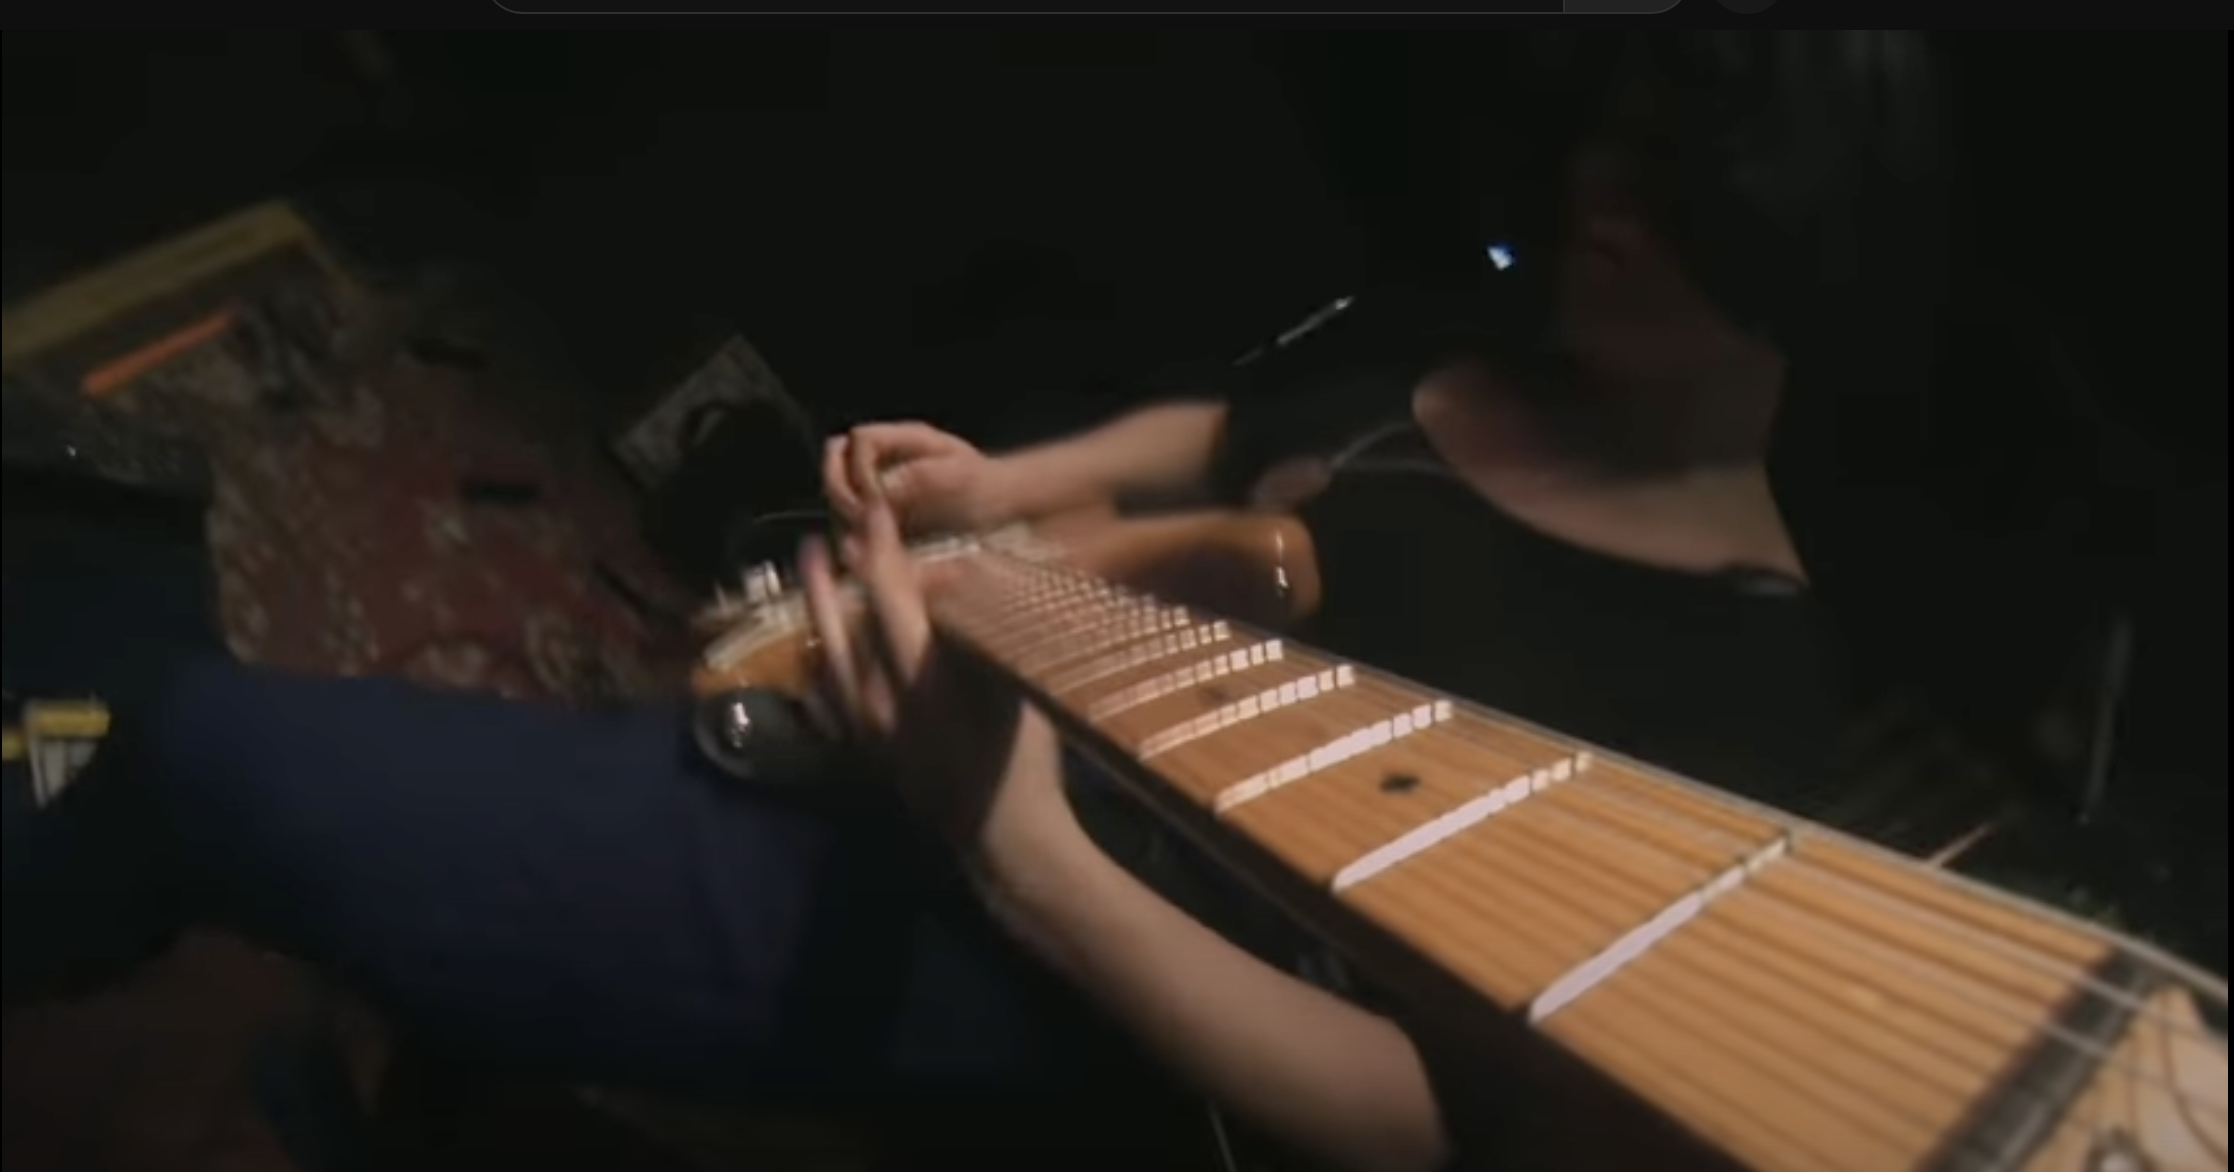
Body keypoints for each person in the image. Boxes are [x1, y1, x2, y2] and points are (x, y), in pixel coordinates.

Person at [6, 32, 1976, 1172]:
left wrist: (1023, 855)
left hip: (1038, 942)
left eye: (1666, 215)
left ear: (1795, 287)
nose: (1596, 213)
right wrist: (1005, 493)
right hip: (951, 712)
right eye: (1613, 157)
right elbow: (1241, 439)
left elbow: (1434, 1118)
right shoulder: (1498, 334)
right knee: (472, 850)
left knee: (207, 750)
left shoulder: (1743, 695)